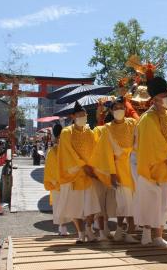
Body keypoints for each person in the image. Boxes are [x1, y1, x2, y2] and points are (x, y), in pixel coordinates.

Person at [133, 76, 167, 248]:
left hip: (163, 166)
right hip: (151, 166)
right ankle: (150, 235)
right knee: (150, 202)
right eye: (164, 94)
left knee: (161, 203)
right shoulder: (148, 119)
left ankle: (157, 237)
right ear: (154, 99)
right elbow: (153, 144)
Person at [91, 96, 138, 243]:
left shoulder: (132, 123)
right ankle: (126, 232)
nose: (119, 110)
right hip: (119, 171)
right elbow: (106, 154)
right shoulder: (107, 129)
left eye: (121, 108)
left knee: (133, 203)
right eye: (116, 108)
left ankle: (120, 231)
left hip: (134, 168)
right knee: (125, 203)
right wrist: (112, 174)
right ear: (111, 111)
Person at [56, 101, 101, 244]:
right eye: (80, 115)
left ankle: (88, 228)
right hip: (74, 175)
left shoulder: (90, 131)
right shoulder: (66, 132)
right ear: (73, 116)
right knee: (75, 207)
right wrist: (82, 165)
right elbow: (68, 152)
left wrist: (94, 168)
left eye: (84, 115)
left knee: (92, 206)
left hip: (88, 174)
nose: (83, 117)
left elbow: (96, 150)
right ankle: (81, 233)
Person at [44, 124, 69, 235]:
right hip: (64, 181)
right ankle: (63, 227)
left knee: (60, 204)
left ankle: (62, 227)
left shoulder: (52, 151)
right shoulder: (65, 150)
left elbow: (49, 168)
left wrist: (53, 180)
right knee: (64, 204)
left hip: (56, 182)